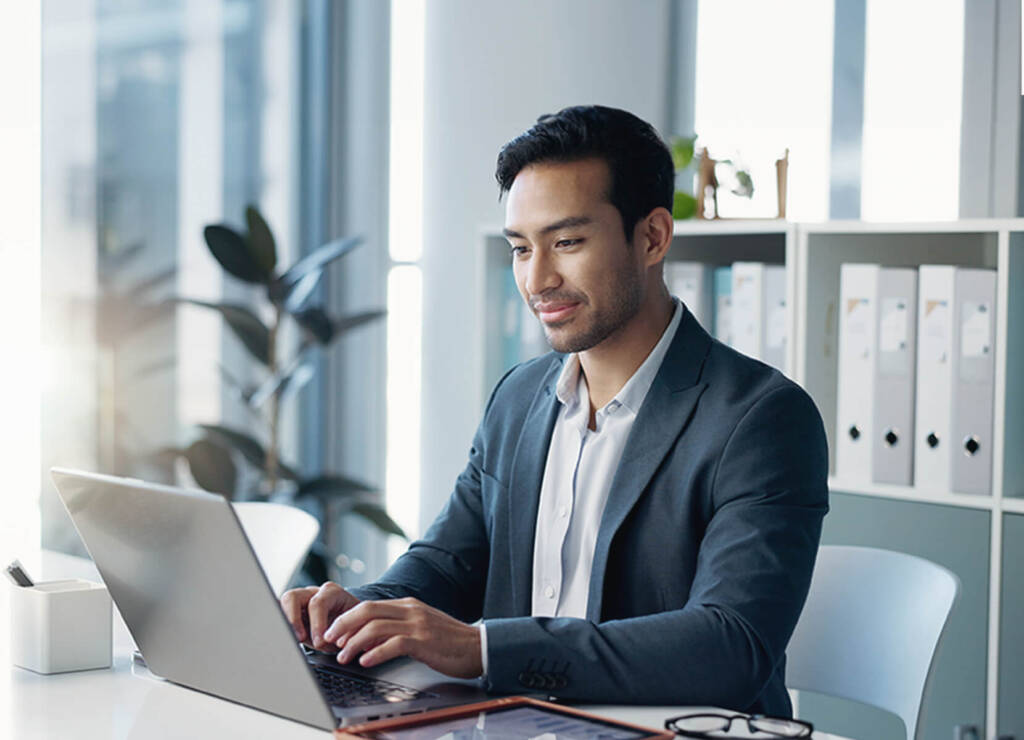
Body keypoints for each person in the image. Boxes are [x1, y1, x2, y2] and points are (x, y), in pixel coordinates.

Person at [281, 105, 828, 716]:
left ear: (652, 237)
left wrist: (483, 648)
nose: (537, 279)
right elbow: (446, 564)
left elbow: (729, 647)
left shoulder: (762, 419)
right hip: (521, 724)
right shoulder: (518, 397)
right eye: (520, 248)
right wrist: (352, 612)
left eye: (566, 242)